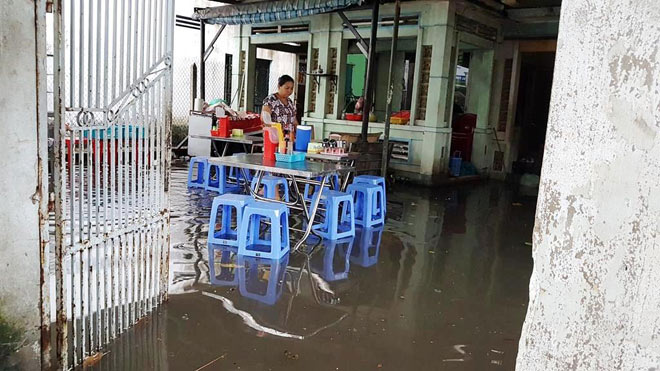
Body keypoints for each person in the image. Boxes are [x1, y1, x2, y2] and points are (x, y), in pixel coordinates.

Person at [261, 75, 298, 142]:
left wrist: (299, 133)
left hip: (289, 139)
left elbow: (294, 121)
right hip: (274, 139)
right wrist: (276, 132)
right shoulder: (271, 100)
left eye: (291, 88)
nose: (289, 91)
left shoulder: (290, 102)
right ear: (279, 86)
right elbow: (265, 119)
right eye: (287, 88)